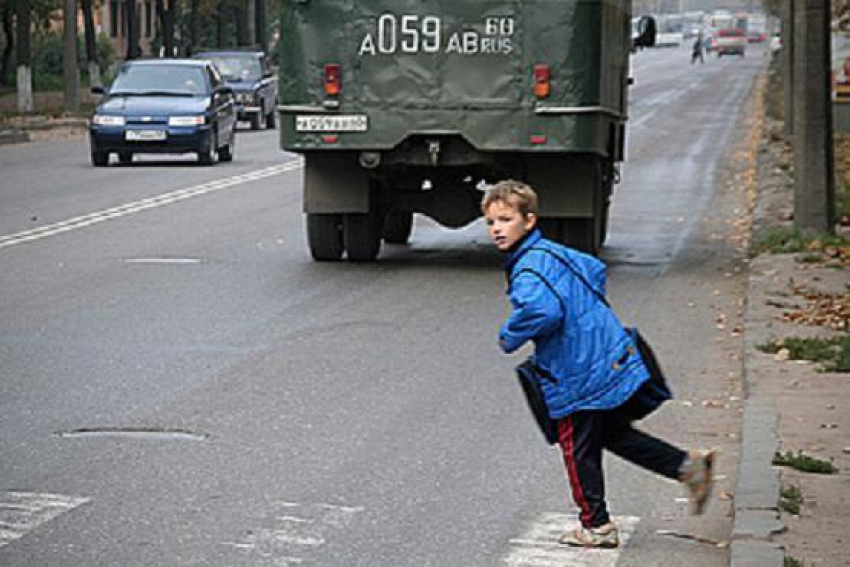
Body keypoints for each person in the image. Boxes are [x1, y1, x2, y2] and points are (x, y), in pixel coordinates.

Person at [483, 180, 715, 549]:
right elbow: (593, 270)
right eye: (491, 222)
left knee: (575, 444)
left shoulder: (527, 267)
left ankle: (597, 525)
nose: (496, 229)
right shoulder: (552, 252)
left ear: (529, 221)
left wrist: (509, 336)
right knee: (609, 434)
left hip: (579, 369)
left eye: (506, 219)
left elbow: (542, 310)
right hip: (611, 350)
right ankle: (688, 467)